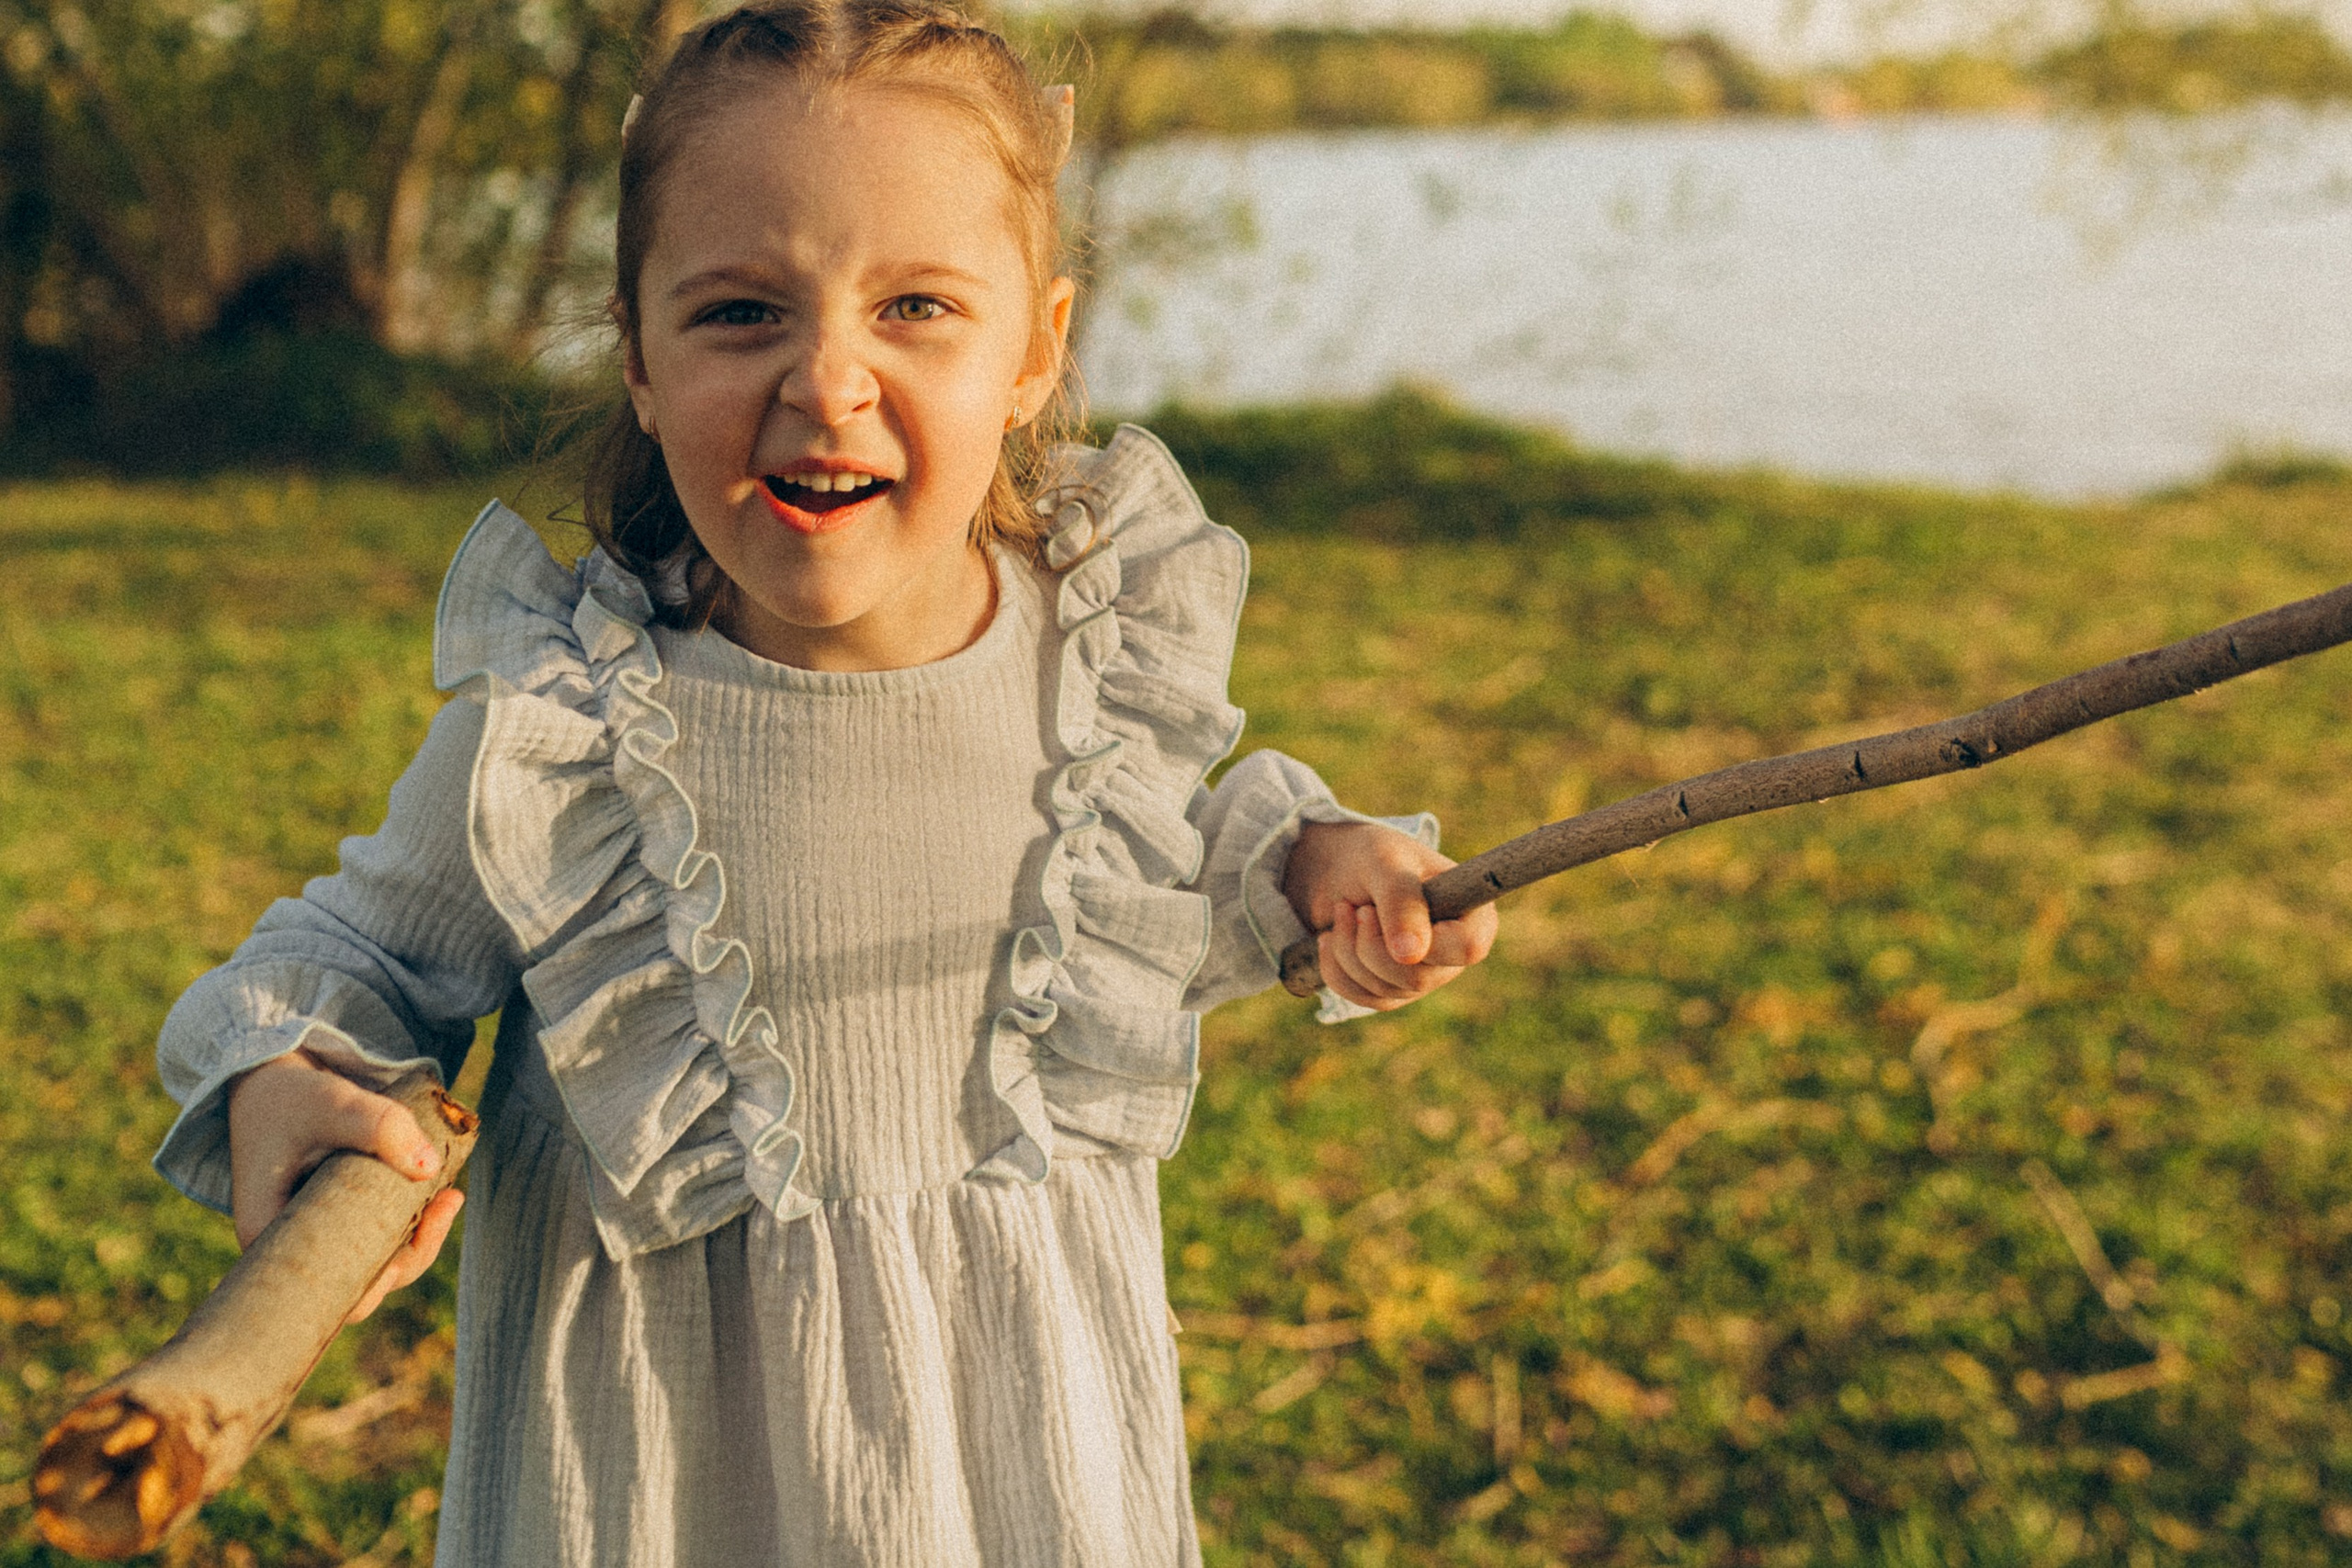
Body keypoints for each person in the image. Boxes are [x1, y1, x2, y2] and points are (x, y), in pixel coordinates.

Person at [153, 2, 1498, 1562]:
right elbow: (352, 958)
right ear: (638, 356)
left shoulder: (1098, 677)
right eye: (741, 313)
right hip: (658, 1489)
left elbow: (1162, 887)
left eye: (917, 305)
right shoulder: (570, 728)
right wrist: (290, 1071)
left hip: (1021, 1476)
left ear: (1035, 349)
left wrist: (1324, 869)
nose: (829, 380)